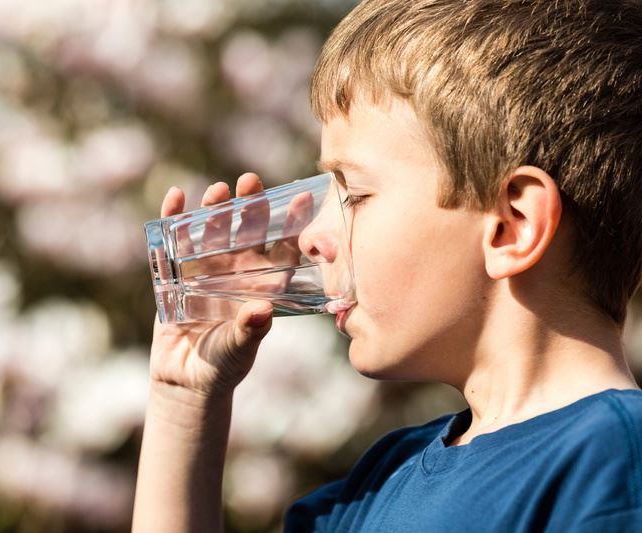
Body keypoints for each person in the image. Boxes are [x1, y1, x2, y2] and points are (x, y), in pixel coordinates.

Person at [132, 0, 642, 531]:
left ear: (511, 225)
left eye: (353, 194)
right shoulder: (375, 483)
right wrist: (184, 402)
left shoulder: (611, 464)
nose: (310, 236)